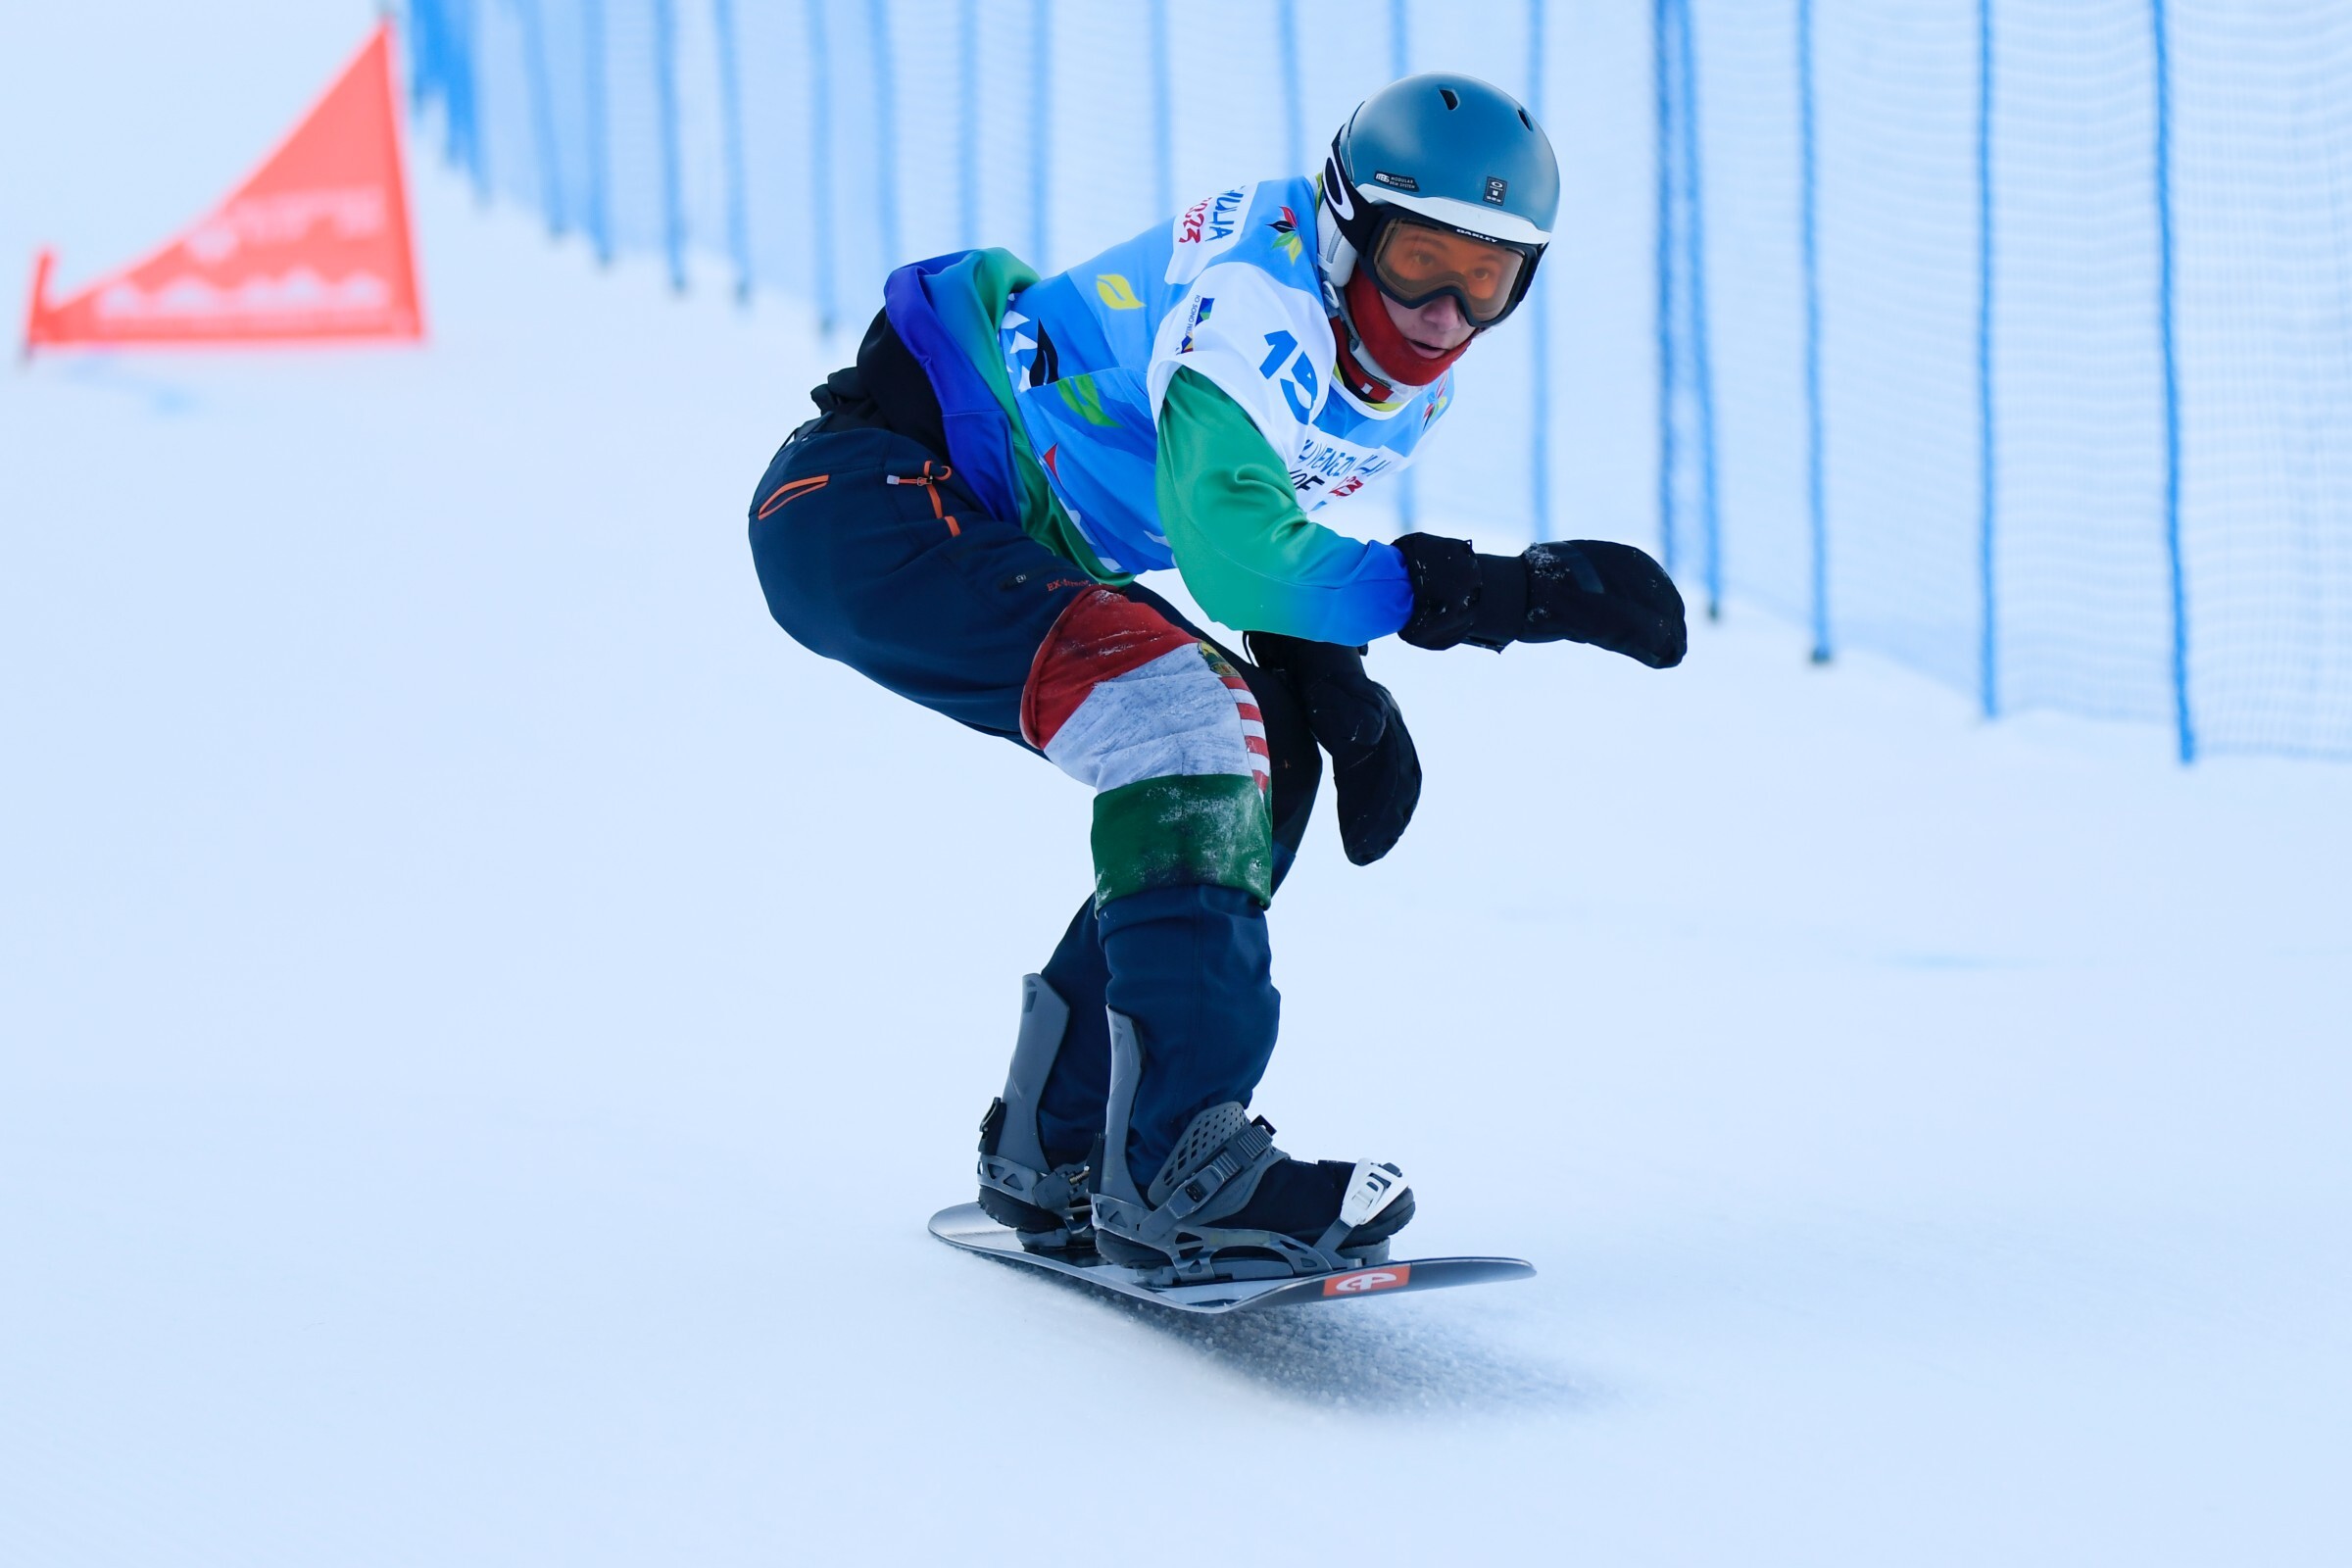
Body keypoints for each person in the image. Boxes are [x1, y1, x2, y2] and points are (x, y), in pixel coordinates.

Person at [748, 74, 1686, 1284]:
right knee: (1182, 722)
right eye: (1419, 263)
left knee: (1260, 749)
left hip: (961, 519)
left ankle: (1058, 1145)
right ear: (1346, 226)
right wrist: (1499, 593)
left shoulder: (1391, 371)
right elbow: (1236, 551)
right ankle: (1187, 1168)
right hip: (873, 499)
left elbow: (1248, 519)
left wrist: (1325, 681)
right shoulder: (1258, 302)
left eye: (1487, 278)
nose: (1445, 313)